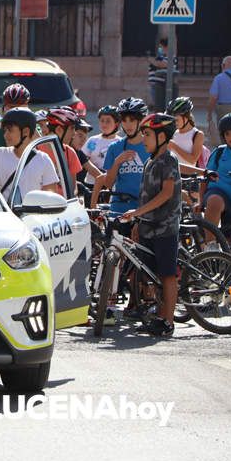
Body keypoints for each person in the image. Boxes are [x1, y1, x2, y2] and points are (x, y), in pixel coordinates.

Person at [121, 113, 181, 337]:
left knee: (167, 275)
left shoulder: (169, 160)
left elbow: (166, 193)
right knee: (153, 274)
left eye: (147, 134)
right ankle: (158, 314)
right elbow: (145, 197)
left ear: (162, 137)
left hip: (164, 228)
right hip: (147, 226)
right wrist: (138, 220)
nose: (143, 138)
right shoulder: (149, 161)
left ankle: (168, 320)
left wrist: (137, 212)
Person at [0, 107, 60, 202]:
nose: (5, 135)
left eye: (10, 130)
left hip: (34, 216)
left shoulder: (43, 160)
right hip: (6, 215)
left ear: (26, 131)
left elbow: (51, 195)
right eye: (5, 130)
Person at [90, 98, 150, 215]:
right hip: (119, 208)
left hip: (145, 208)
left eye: (132, 120)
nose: (128, 125)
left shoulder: (151, 146)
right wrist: (117, 162)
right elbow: (108, 184)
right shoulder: (115, 147)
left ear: (142, 121)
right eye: (124, 120)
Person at [200, 112, 231, 249]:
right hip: (218, 192)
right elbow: (205, 177)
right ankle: (210, 246)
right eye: (227, 134)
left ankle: (226, 267)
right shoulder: (220, 152)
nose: (230, 137)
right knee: (214, 200)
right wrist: (200, 202)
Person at [207, 56, 231, 147]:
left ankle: (227, 150)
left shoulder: (219, 78)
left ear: (223, 65)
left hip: (223, 109)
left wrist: (209, 114)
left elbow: (213, 97)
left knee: (225, 132)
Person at [81, 105, 121, 187]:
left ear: (116, 124)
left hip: (112, 184)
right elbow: (82, 158)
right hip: (92, 183)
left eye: (108, 121)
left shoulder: (120, 142)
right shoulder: (93, 140)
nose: (104, 124)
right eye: (102, 120)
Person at [0, 83, 30, 148]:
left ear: (27, 107)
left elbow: (48, 153)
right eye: (11, 107)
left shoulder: (32, 128)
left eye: (19, 107)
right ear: (4, 107)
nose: (15, 111)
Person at [166, 96, 206, 168]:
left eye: (176, 120)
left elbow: (193, 160)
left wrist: (174, 146)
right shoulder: (173, 133)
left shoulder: (198, 135)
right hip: (172, 175)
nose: (174, 123)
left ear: (186, 117)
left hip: (189, 177)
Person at [146, 37, 178, 112]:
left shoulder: (170, 57)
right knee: (156, 104)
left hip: (162, 84)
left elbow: (162, 64)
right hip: (154, 84)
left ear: (165, 47)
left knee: (160, 104)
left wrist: (151, 60)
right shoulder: (160, 57)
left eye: (161, 47)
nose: (159, 49)